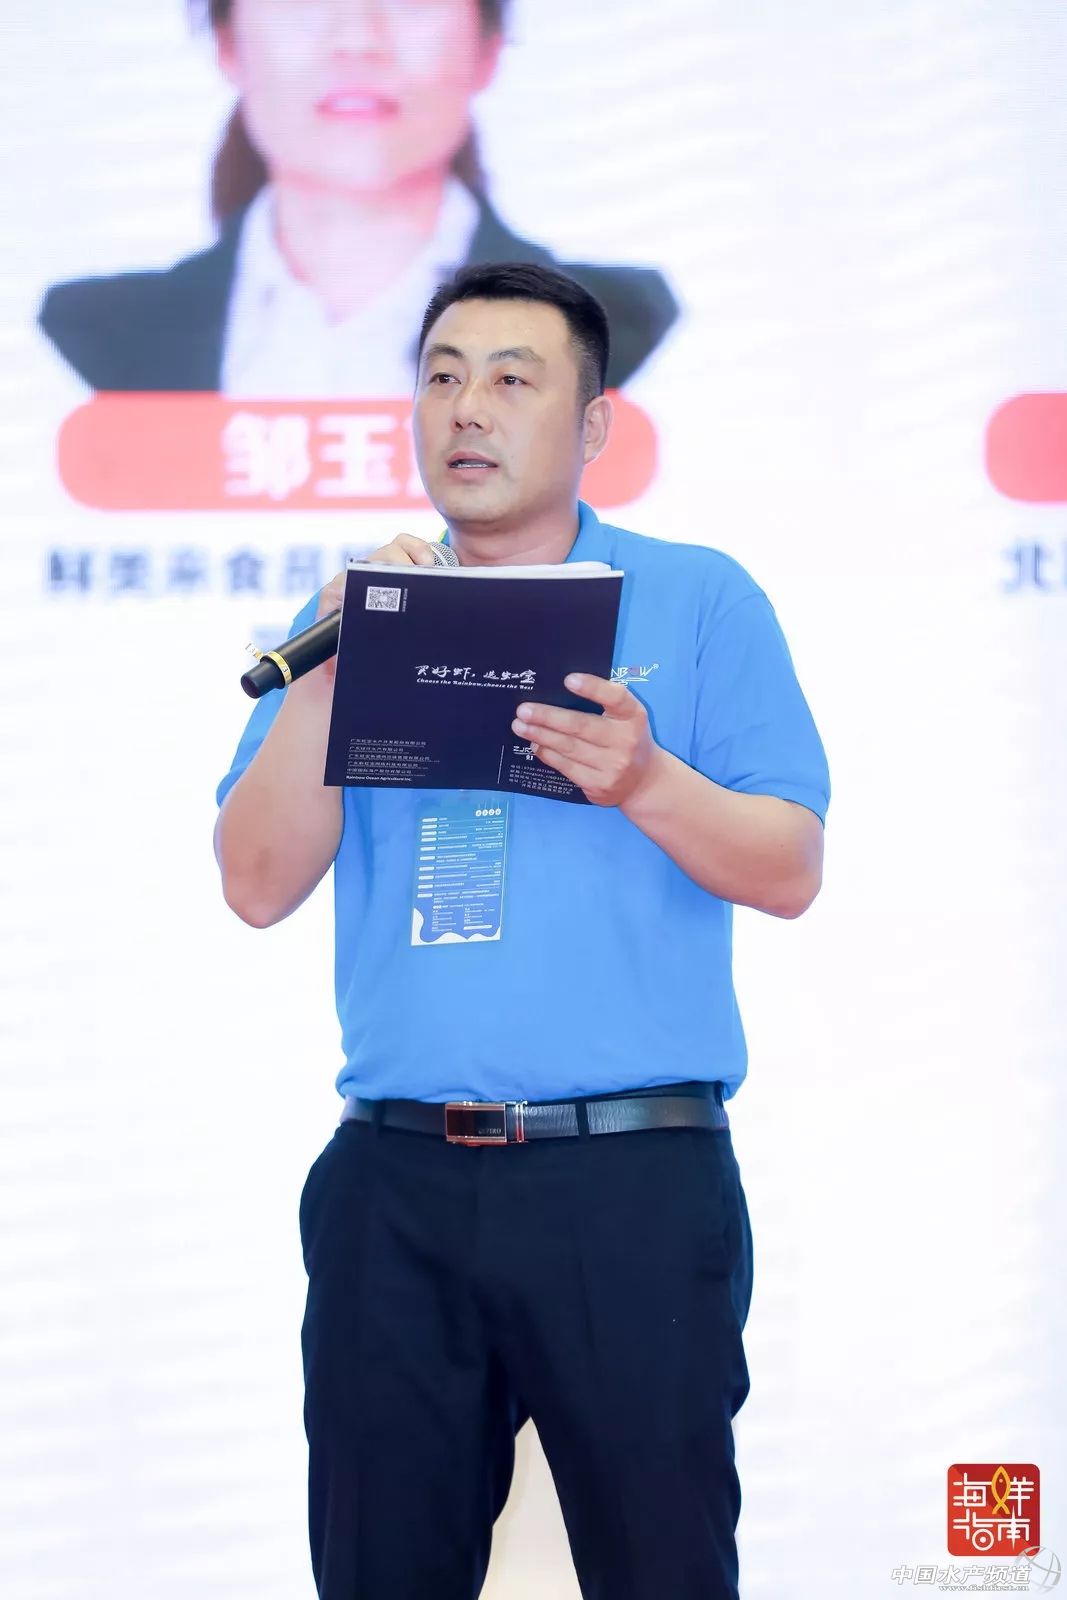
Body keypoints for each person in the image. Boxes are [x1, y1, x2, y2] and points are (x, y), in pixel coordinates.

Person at [213, 260, 830, 1600]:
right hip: (393, 1185)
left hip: (628, 1183)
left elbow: (788, 867)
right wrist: (326, 668)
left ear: (592, 422)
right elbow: (254, 883)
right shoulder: (349, 620)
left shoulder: (696, 597)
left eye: (509, 378)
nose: (466, 408)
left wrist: (643, 780)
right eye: (439, 377)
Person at [37, 0, 676, 395]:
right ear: (229, 43)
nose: (357, 37)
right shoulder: (96, 330)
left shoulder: (621, 322)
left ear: (487, 47)